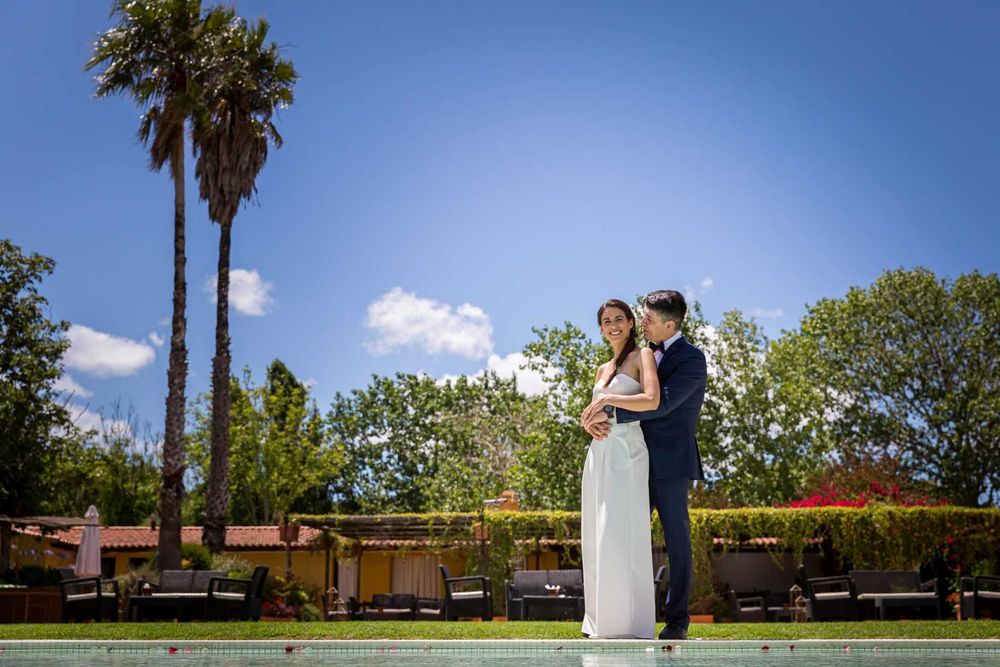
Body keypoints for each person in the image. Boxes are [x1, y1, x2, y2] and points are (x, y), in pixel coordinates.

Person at [582, 290, 707, 641]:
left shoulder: (691, 359)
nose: (644, 323)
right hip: (630, 459)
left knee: (676, 539)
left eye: (649, 319)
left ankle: (677, 620)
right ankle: (618, 618)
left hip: (668, 462)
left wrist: (607, 409)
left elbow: (662, 404)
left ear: (670, 324)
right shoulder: (644, 355)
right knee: (618, 535)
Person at [578, 298, 659, 639]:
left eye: (618, 319)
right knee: (596, 536)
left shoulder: (643, 357)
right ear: (601, 329)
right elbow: (596, 411)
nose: (612, 325)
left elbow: (652, 400)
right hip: (599, 454)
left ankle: (631, 623)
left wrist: (608, 401)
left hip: (628, 451)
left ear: (629, 323)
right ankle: (600, 621)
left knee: (622, 532)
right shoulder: (602, 369)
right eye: (606, 321)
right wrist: (588, 424)